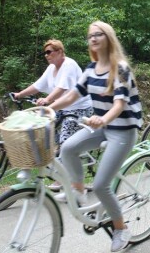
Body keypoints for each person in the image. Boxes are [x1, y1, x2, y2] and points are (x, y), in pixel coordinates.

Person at [48, 21, 142, 252]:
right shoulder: (90, 69)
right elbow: (72, 96)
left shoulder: (119, 67)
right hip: (101, 126)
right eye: (90, 35)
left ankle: (121, 229)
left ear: (108, 37)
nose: (93, 38)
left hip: (122, 129)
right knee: (68, 148)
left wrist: (103, 119)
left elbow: (119, 104)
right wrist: (50, 108)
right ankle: (78, 190)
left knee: (101, 185)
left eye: (98, 34)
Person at [13, 39, 93, 146]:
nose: (46, 55)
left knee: (65, 143)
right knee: (40, 126)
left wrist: (47, 100)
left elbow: (61, 88)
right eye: (45, 53)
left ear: (60, 51)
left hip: (79, 108)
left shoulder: (69, 65)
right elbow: (37, 85)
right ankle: (55, 151)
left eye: (49, 52)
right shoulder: (51, 68)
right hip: (62, 107)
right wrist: (19, 94)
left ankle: (65, 152)